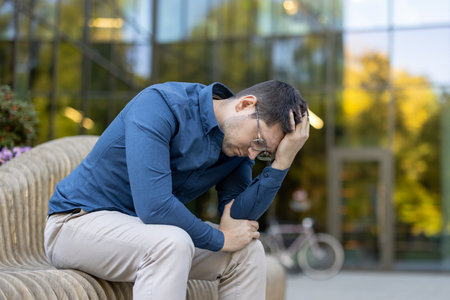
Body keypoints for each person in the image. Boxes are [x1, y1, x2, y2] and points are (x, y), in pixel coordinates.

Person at [44, 80, 309, 300]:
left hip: (144, 235)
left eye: (263, 152)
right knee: (172, 242)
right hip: (76, 225)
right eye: (258, 141)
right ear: (245, 104)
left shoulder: (237, 148)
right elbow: (155, 207)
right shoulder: (161, 104)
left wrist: (282, 162)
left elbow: (237, 221)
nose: (252, 154)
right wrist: (219, 239)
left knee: (248, 253)